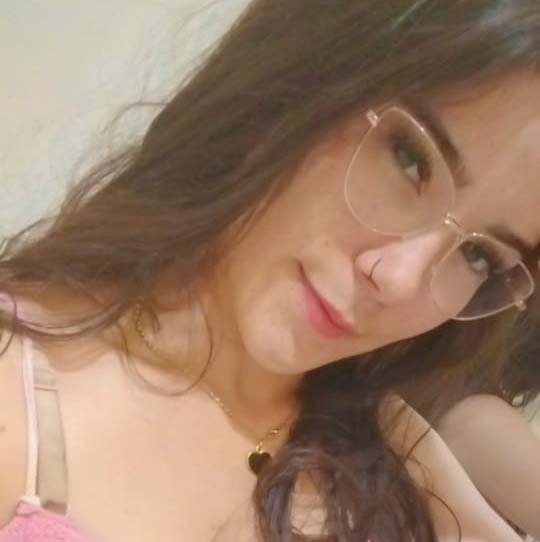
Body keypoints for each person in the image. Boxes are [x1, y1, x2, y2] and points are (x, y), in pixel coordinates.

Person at [1, 1, 540, 541]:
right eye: (409, 159)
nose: (400, 280)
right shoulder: (21, 381)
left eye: (479, 257)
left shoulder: (401, 472)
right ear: (304, 77)